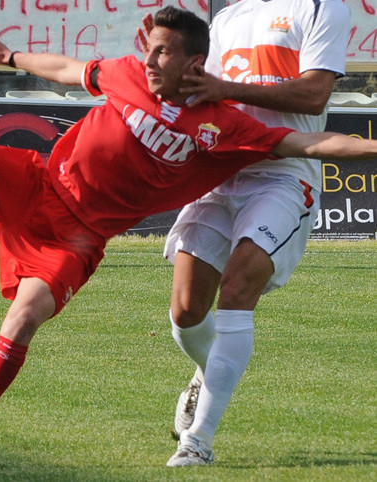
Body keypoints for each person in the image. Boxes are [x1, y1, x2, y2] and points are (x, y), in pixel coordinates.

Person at [0, 7, 374, 473]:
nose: (149, 57)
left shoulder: (220, 125)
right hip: (35, 181)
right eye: (149, 46)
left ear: (196, 63)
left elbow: (311, 144)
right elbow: (72, 70)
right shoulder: (129, 72)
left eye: (163, 50)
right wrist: (10, 57)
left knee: (22, 320)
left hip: (78, 237)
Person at [138, 0, 352, 468]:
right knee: (185, 312)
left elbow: (314, 95)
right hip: (221, 169)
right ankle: (208, 371)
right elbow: (198, 91)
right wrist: (159, 68)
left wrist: (225, 87)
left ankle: (197, 442)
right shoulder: (229, 17)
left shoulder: (321, 7)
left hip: (283, 172)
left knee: (237, 288)